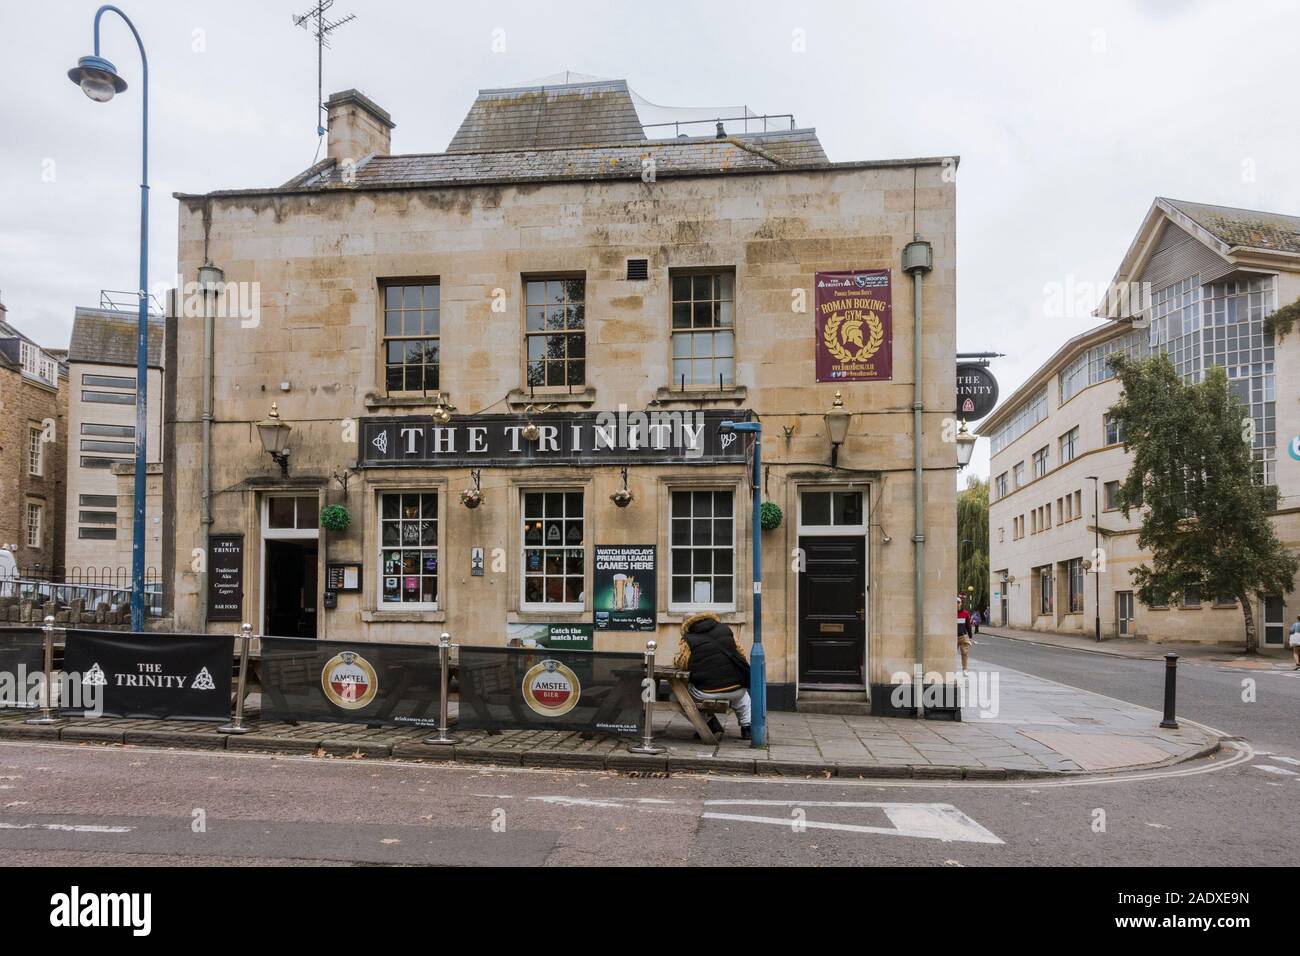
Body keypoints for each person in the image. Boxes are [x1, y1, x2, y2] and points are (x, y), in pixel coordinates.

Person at [674, 611, 752, 739]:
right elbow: (741, 654)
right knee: (742, 696)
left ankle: (708, 723)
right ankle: (747, 728)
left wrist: (676, 660)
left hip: (706, 690)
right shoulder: (725, 630)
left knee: (678, 696)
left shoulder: (688, 639)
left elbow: (683, 663)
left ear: (685, 624)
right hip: (735, 688)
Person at [957, 600, 972, 671]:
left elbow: (968, 625)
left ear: (961, 603)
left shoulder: (965, 613)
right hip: (953, 637)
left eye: (958, 602)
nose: (957, 604)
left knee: (965, 653)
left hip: (963, 636)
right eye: (956, 602)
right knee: (952, 654)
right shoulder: (951, 613)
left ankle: (965, 669)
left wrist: (970, 636)